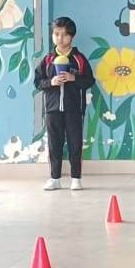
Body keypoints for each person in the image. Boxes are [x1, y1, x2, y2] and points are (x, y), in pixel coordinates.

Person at [34, 17, 95, 191]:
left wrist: (74, 78)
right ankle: (55, 178)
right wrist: (51, 82)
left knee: (75, 144)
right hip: (52, 110)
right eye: (56, 34)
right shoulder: (47, 60)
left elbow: (89, 80)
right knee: (54, 144)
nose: (60, 38)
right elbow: (38, 82)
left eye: (64, 34)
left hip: (74, 109)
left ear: (71, 37)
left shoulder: (79, 59)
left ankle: (76, 178)